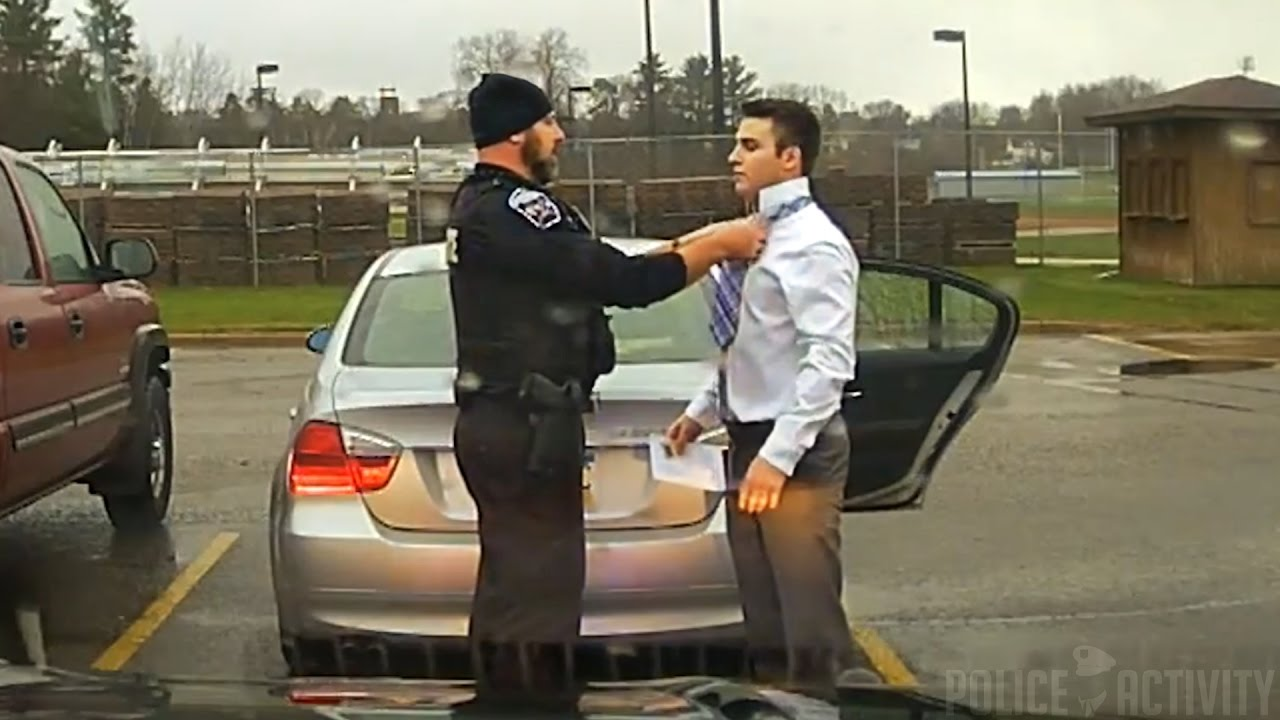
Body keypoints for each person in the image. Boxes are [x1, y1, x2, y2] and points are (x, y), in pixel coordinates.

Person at [445, 72, 766, 707]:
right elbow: (624, 282)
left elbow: (589, 264)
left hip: (512, 419)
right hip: (528, 424)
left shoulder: (482, 205)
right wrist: (725, 244)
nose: (559, 134)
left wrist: (697, 242)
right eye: (549, 122)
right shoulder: (513, 209)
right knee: (540, 592)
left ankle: (506, 698)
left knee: (515, 585)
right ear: (517, 133)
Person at [664, 98, 861, 695]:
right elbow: (752, 344)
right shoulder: (752, 236)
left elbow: (827, 362)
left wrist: (777, 460)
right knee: (764, 618)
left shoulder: (814, 245)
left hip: (793, 452)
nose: (733, 156)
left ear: (790, 157)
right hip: (746, 441)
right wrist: (701, 414)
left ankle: (826, 709)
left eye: (749, 146)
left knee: (808, 622)